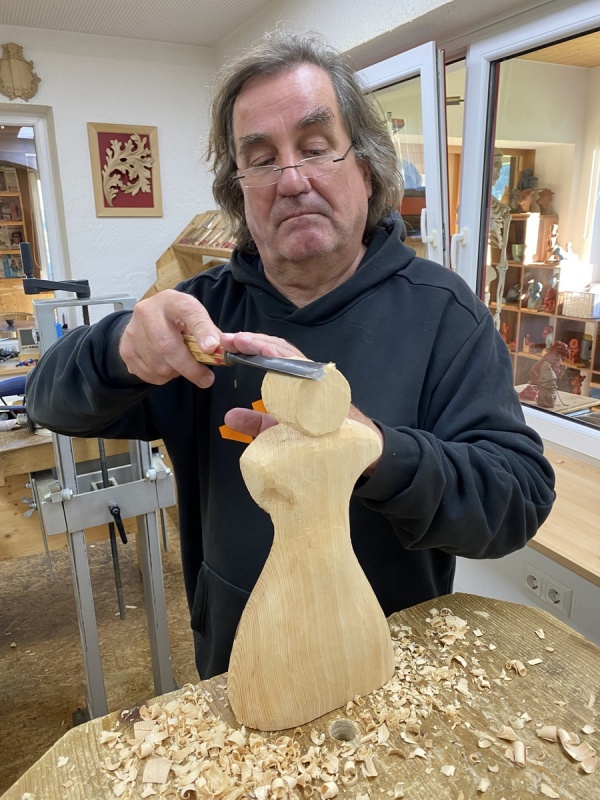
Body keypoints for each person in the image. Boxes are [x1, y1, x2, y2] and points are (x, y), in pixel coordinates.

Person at [26, 31, 555, 680]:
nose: (293, 180)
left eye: (315, 147)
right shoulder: (201, 316)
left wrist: (373, 450)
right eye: (261, 159)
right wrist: (118, 351)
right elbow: (47, 401)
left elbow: (516, 502)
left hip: (392, 673)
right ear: (239, 192)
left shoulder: (446, 315)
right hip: (237, 660)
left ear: (365, 167)